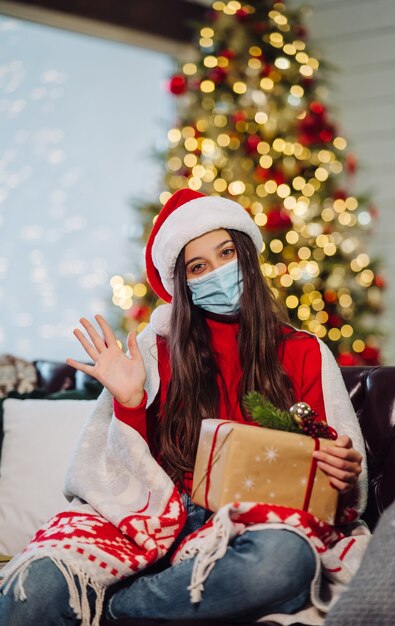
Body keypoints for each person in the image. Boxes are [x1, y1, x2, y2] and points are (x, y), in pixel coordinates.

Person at [0, 188, 368, 626]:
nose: (218, 272)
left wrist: (340, 469)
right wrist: (132, 404)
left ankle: (117, 609)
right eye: (198, 266)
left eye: (227, 253)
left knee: (284, 562)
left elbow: (335, 478)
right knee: (35, 587)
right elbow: (116, 476)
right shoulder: (153, 352)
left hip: (252, 525)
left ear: (247, 254)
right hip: (159, 517)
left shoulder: (305, 352)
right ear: (183, 284)